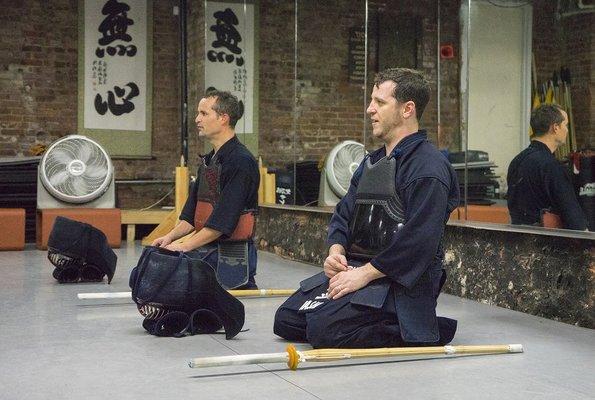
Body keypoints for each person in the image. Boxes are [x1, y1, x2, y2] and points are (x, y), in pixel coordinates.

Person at [273, 68, 459, 348]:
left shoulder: (429, 168)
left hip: (399, 284)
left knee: (323, 330)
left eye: (380, 102)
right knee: (286, 319)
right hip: (359, 268)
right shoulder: (371, 163)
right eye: (372, 100)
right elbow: (345, 213)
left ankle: (420, 327)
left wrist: (365, 274)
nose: (370, 109)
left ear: (407, 109)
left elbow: (419, 241)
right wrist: (336, 252)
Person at [152, 90, 260, 289]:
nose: (197, 119)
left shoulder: (241, 162)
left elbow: (221, 224)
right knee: (155, 261)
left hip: (230, 256)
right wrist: (170, 238)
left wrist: (184, 247)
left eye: (203, 113)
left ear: (223, 118)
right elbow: (190, 216)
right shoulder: (208, 162)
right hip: (208, 249)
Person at [507, 104, 587, 230]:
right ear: (555, 127)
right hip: (546, 243)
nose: (567, 130)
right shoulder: (552, 166)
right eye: (565, 125)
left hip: (519, 240)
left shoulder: (516, 161)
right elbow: (573, 217)